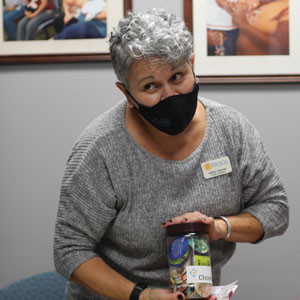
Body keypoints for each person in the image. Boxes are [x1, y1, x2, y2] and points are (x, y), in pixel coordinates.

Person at [53, 8, 289, 300]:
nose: (170, 95)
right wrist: (143, 296)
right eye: (150, 85)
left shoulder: (231, 129)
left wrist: (219, 227)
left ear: (192, 65)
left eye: (178, 76)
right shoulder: (100, 148)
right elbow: (68, 250)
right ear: (127, 93)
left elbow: (275, 209)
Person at [218, 0, 289, 55]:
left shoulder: (287, 6)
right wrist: (208, 37)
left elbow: (281, 48)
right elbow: (223, 12)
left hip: (264, 66)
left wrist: (244, 25)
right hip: (234, 60)